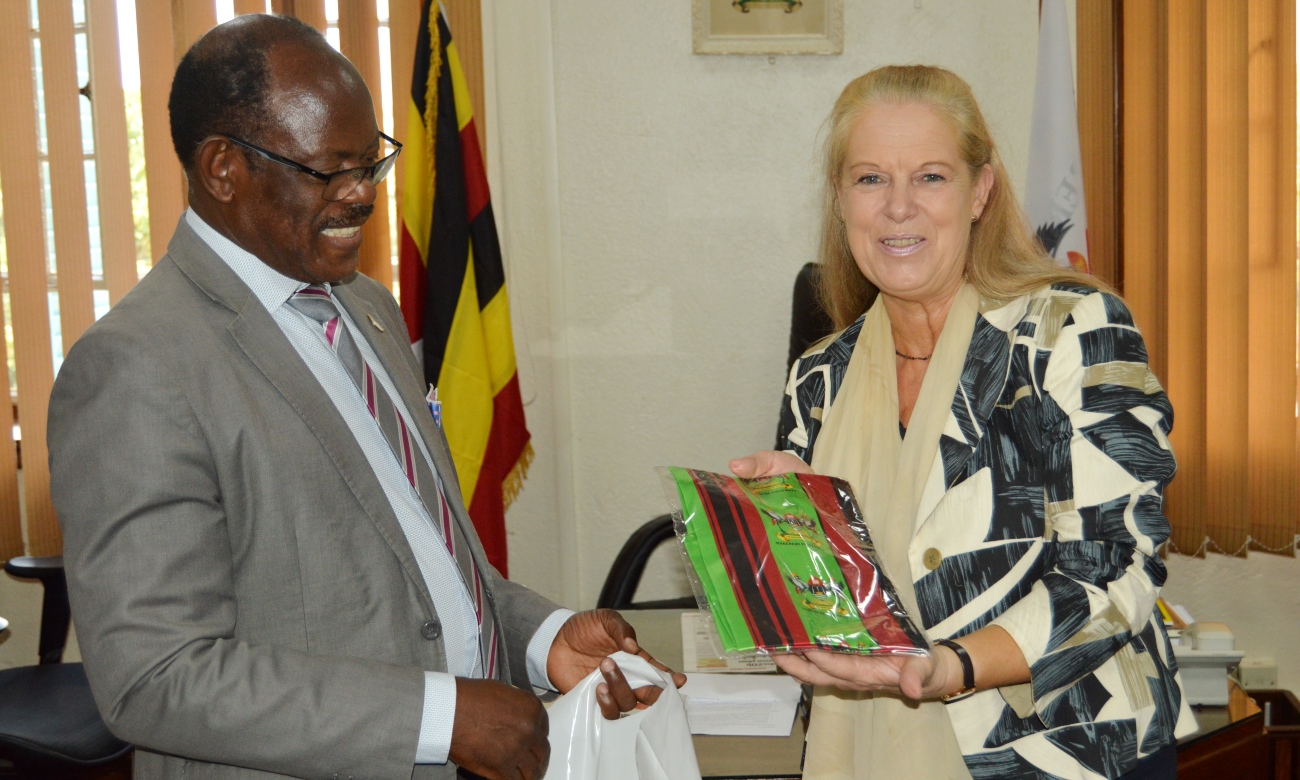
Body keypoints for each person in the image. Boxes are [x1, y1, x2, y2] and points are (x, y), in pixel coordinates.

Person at [48, 15, 679, 780]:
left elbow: (425, 566)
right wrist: (442, 716)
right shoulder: (134, 367)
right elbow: (157, 677)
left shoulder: (367, 309)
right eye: (328, 171)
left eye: (370, 162)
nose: (362, 195)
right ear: (222, 168)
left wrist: (542, 640)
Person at [730, 65, 1194, 780]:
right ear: (840, 200)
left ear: (980, 191)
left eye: (931, 177)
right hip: (865, 741)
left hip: (1065, 751)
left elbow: (1116, 565)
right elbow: (844, 598)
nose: (898, 208)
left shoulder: (1071, 331)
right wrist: (792, 520)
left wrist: (957, 666)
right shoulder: (819, 375)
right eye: (870, 179)